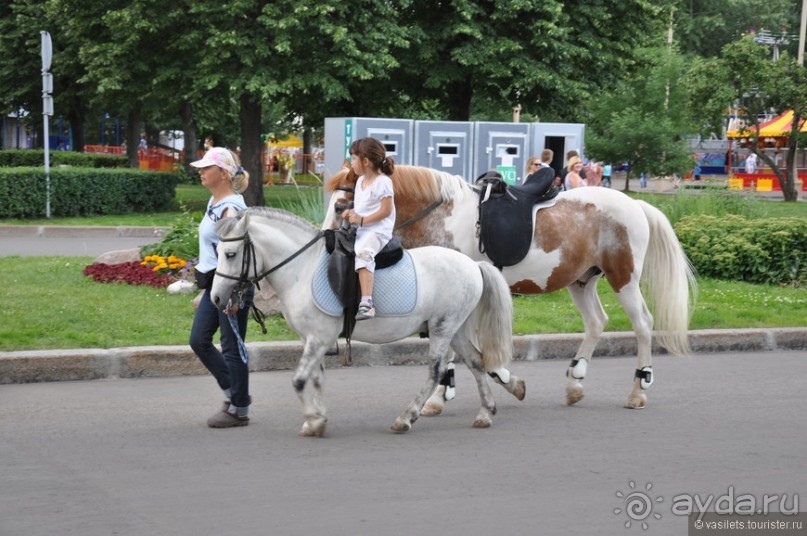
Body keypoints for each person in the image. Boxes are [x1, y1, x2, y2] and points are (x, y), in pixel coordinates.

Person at [189, 147, 255, 428]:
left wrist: (238, 292)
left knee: (231, 345)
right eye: (201, 167)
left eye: (207, 167)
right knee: (199, 340)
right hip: (216, 283)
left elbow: (237, 255)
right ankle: (235, 393)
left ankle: (238, 409)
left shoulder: (232, 209)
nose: (201, 172)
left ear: (224, 174)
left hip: (231, 285)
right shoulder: (216, 203)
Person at [342, 137, 396, 321]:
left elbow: (386, 211)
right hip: (362, 227)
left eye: (353, 158)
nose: (351, 163)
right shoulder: (360, 181)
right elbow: (363, 207)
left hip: (378, 230)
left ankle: (367, 303)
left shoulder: (383, 182)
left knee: (364, 252)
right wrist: (351, 213)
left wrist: (362, 219)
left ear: (365, 161)